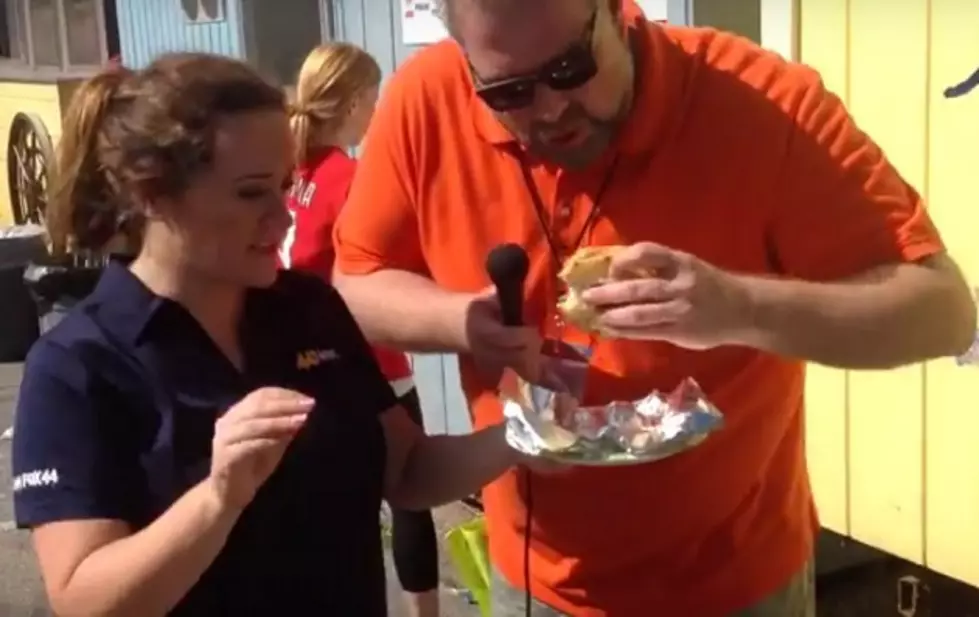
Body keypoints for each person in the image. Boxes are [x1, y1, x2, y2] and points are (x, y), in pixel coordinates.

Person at [330, 0, 977, 616]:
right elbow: (354, 284)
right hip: (532, 578)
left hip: (734, 585)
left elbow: (941, 310)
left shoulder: (760, 102)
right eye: (509, 94)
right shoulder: (426, 100)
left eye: (568, 68)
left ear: (617, 11)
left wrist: (737, 305)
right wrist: (461, 322)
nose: (552, 108)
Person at [9, 53, 523, 617]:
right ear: (152, 195)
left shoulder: (308, 308)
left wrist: (526, 436)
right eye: (252, 193)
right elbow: (85, 602)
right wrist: (217, 497)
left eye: (284, 187)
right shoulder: (77, 366)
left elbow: (406, 470)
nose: (281, 219)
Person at [283, 42, 441, 617]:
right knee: (410, 495)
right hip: (368, 358)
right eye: (373, 99)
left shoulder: (290, 171)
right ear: (351, 102)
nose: (376, 111)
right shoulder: (349, 176)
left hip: (301, 356)